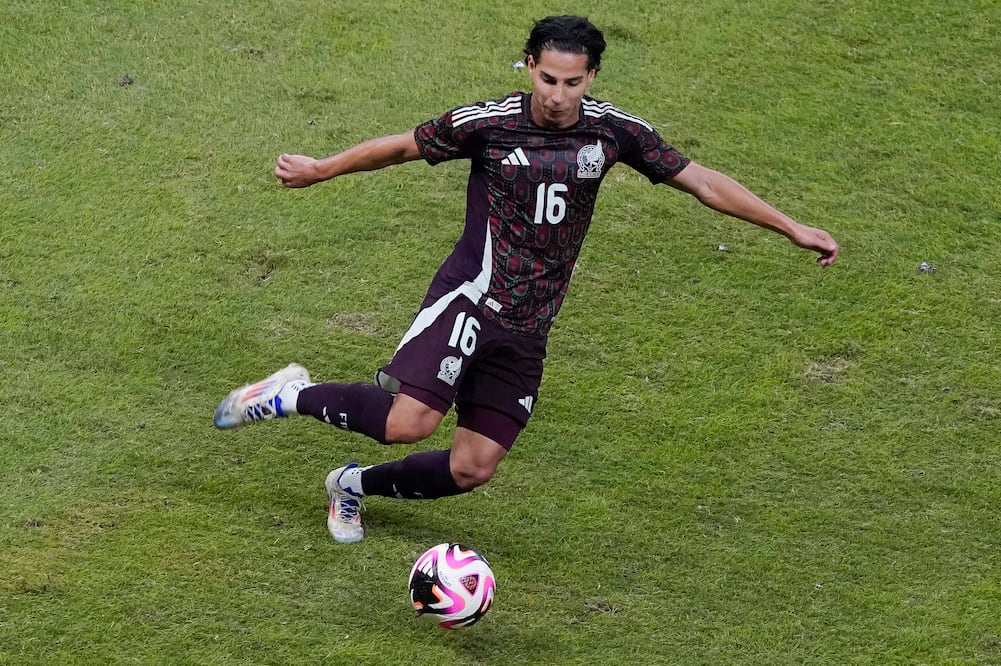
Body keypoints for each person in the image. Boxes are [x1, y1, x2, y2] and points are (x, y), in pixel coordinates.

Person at [213, 15, 839, 543]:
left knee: (472, 468)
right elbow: (402, 146)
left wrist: (792, 227)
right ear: (529, 66)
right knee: (410, 422)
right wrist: (321, 169)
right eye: (547, 78)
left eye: (572, 82)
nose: (559, 94)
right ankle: (286, 394)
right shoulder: (489, 124)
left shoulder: (615, 133)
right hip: (472, 298)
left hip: (531, 325)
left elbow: (701, 181)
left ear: (591, 77)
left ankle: (349, 485)